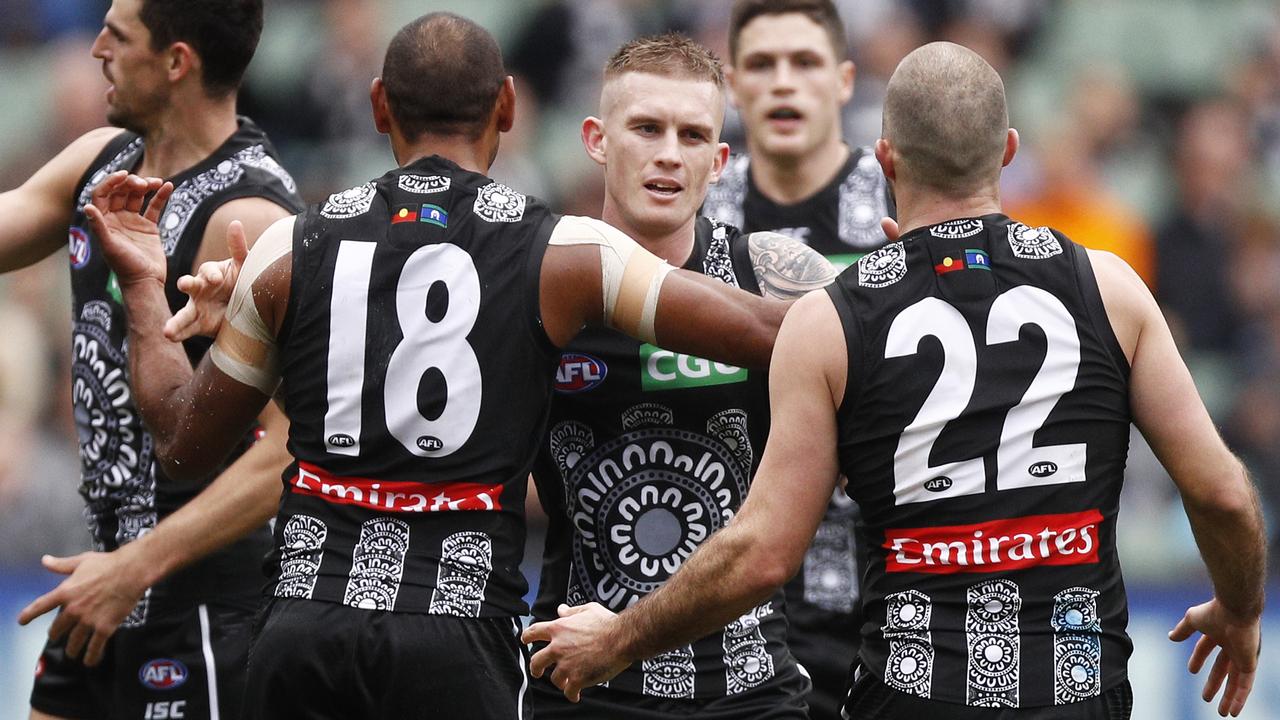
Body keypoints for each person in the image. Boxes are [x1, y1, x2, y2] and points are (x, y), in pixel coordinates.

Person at [525, 42, 1267, 720]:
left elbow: (764, 553)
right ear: (1008, 152)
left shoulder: (835, 316)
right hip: (1075, 685)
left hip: (914, 689)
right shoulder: (1109, 285)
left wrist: (622, 637)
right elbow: (1223, 493)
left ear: (884, 160)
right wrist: (1239, 609)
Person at [81, 13, 791, 719]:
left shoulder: (291, 246)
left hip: (303, 627)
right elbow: (770, 330)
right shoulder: (563, 254)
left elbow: (180, 444)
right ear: (507, 108)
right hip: (454, 637)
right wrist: (893, 291)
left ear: (378, 103)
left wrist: (145, 288)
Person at [1, 1, 302, 718]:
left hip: (202, 604)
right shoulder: (100, 160)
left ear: (177, 63)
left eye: (119, 34)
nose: (96, 47)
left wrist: (137, 567)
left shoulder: (252, 218)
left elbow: (294, 449)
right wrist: (121, 573)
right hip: (102, 587)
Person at [530, 34, 832, 719]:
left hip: (748, 685)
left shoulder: (771, 273)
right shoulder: (541, 282)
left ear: (719, 161)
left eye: (693, 135)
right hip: (582, 682)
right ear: (597, 140)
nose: (670, 152)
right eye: (646, 128)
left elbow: (894, 371)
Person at [701, 2, 892, 715]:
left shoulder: (904, 205)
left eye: (805, 62)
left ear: (844, 81)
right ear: (733, 84)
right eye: (763, 64)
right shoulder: (688, 214)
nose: (785, 83)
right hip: (725, 607)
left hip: (885, 602)